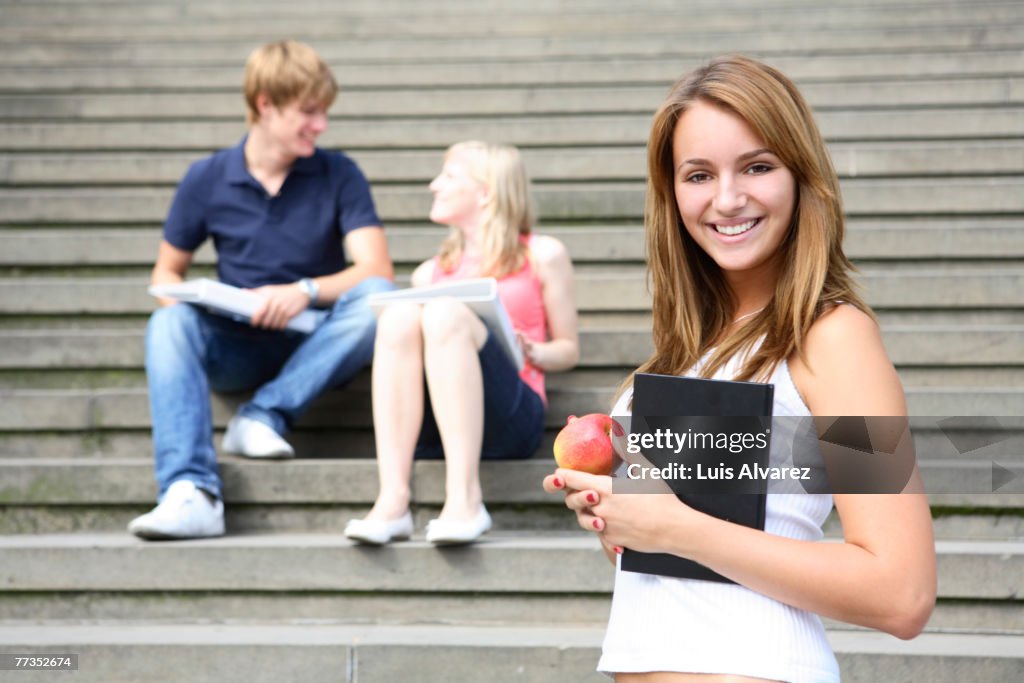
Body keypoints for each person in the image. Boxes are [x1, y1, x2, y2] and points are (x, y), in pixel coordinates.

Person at [543, 56, 937, 681]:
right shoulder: (688, 345)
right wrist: (620, 518)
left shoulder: (835, 338)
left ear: (801, 175)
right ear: (671, 193)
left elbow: (902, 592)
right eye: (699, 174)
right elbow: (696, 561)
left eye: (757, 166)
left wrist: (674, 527)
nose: (727, 199)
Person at [128, 40, 395, 541]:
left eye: (324, 113)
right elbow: (165, 276)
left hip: (320, 342)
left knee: (378, 296)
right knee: (168, 320)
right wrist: (212, 302)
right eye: (308, 112)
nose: (321, 125)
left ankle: (263, 414)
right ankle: (191, 491)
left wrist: (305, 290)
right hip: (238, 343)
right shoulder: (206, 178)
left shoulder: (339, 173)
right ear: (265, 105)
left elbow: (374, 266)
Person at [344, 141, 579, 546]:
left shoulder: (542, 254)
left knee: (444, 312)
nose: (435, 184)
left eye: (449, 175)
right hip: (437, 422)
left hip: (511, 416)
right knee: (399, 317)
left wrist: (534, 351)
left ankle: (465, 499)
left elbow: (569, 349)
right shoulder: (427, 273)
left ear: (486, 191)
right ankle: (393, 499)